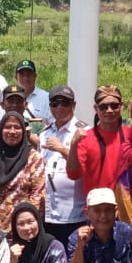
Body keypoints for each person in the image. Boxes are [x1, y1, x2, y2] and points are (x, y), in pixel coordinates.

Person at [65, 86, 132, 220]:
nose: (109, 110)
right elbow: (73, 174)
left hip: (128, 210)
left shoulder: (131, 135)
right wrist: (74, 145)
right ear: (96, 109)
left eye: (114, 106)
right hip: (99, 213)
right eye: (103, 107)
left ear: (121, 106)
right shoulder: (86, 139)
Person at [38, 85, 86, 246]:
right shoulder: (45, 133)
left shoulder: (83, 132)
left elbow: (85, 168)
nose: (59, 107)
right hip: (48, 213)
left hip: (73, 214)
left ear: (74, 105)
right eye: (54, 103)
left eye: (64, 102)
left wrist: (62, 149)